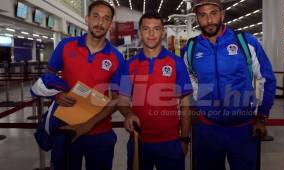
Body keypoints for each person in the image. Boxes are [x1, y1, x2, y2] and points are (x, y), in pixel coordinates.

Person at [182, 0, 276, 170]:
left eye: (213, 13)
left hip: (243, 130)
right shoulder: (191, 48)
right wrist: (198, 104)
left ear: (222, 14)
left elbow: (266, 78)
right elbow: (191, 79)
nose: (209, 20)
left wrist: (262, 116)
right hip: (207, 130)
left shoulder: (245, 42)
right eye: (202, 15)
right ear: (197, 18)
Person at [31, 1, 124, 169]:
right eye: (96, 16)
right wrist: (57, 95)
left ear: (110, 24)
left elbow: (118, 99)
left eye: (106, 19)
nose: (100, 22)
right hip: (65, 127)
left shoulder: (117, 58)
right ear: (87, 19)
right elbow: (48, 77)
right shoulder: (66, 46)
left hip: (100, 133)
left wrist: (89, 124)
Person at [118, 11, 193, 170]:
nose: (151, 34)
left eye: (156, 29)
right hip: (138, 141)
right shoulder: (129, 65)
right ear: (140, 32)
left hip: (170, 143)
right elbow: (123, 100)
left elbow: (186, 104)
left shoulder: (176, 63)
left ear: (163, 32)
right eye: (146, 29)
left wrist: (185, 139)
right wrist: (128, 113)